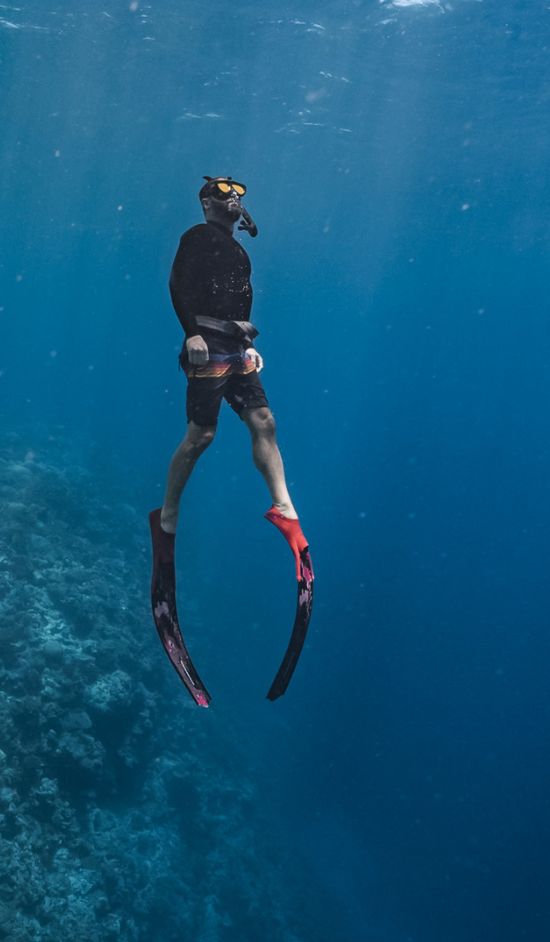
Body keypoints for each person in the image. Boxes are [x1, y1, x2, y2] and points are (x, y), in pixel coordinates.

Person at [148, 176, 314, 706]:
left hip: (237, 346)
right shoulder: (196, 236)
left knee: (263, 420)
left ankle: (283, 507)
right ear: (206, 202)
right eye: (224, 192)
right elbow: (179, 285)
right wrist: (190, 334)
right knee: (202, 434)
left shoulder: (240, 250)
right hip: (204, 343)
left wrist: (247, 336)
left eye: (238, 192)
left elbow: (238, 296)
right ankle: (167, 515)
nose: (234, 198)